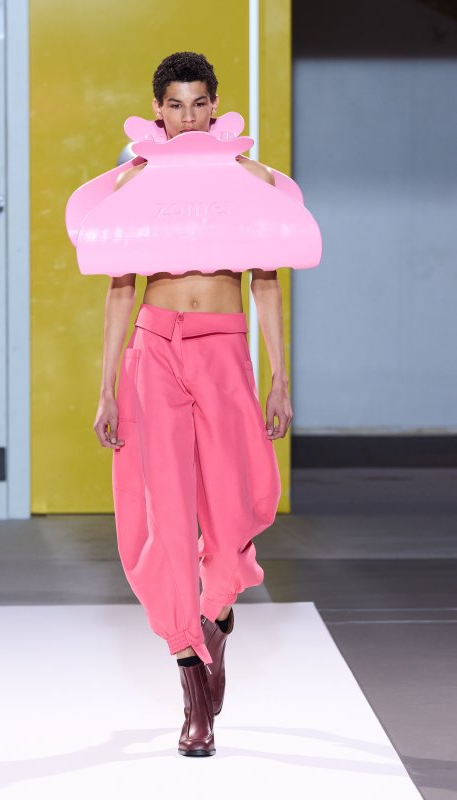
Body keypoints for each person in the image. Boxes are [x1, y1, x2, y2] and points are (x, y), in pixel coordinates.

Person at [93, 52, 292, 757]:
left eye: (198, 103)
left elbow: (265, 277)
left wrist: (279, 376)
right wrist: (107, 384)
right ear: (158, 111)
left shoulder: (249, 179)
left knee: (238, 504)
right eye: (174, 105)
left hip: (223, 348)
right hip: (155, 348)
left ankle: (216, 617)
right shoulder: (135, 182)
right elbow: (120, 285)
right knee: (166, 516)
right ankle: (190, 683)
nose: (187, 117)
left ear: (215, 106)